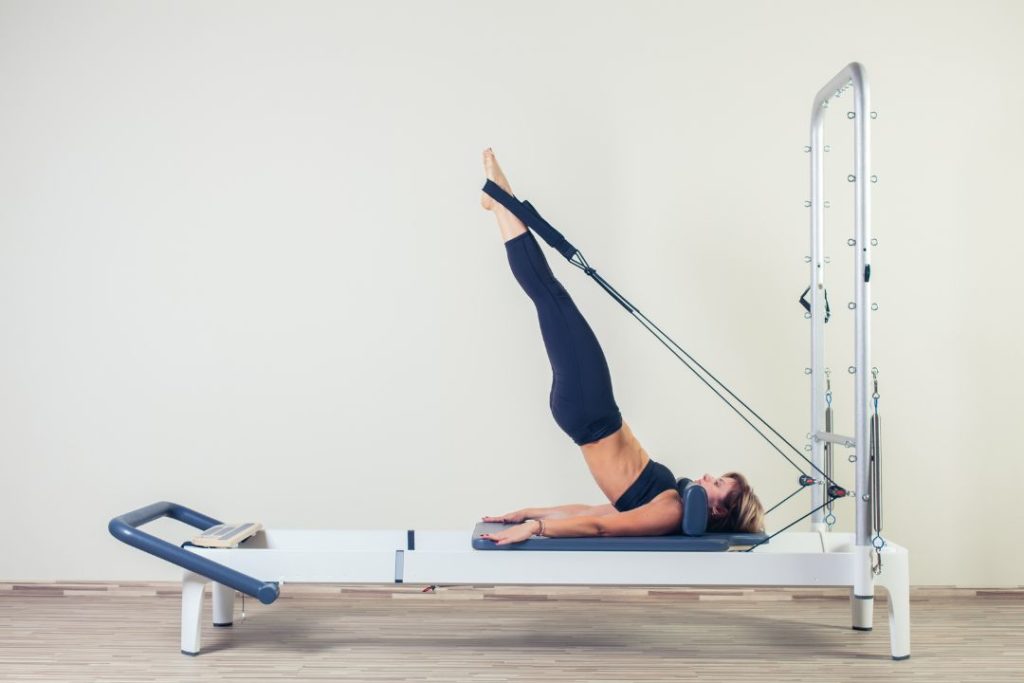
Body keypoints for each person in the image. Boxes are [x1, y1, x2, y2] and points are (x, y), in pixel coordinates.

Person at [477, 148, 765, 546]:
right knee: (549, 298)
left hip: (591, 411)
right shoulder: (669, 501)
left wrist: (536, 528)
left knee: (551, 297)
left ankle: (500, 197)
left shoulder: (671, 510)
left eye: (716, 483)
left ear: (718, 510)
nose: (705, 477)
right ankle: (498, 201)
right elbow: (595, 512)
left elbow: (600, 528)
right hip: (589, 414)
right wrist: (532, 512)